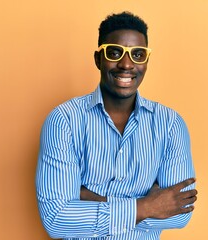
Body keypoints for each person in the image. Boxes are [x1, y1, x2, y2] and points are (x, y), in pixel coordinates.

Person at [35, 11, 198, 240]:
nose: (126, 64)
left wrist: (95, 201)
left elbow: (180, 214)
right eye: (114, 52)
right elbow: (56, 220)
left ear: (147, 62)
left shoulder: (170, 125)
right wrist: (147, 206)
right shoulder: (64, 121)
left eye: (138, 55)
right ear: (98, 58)